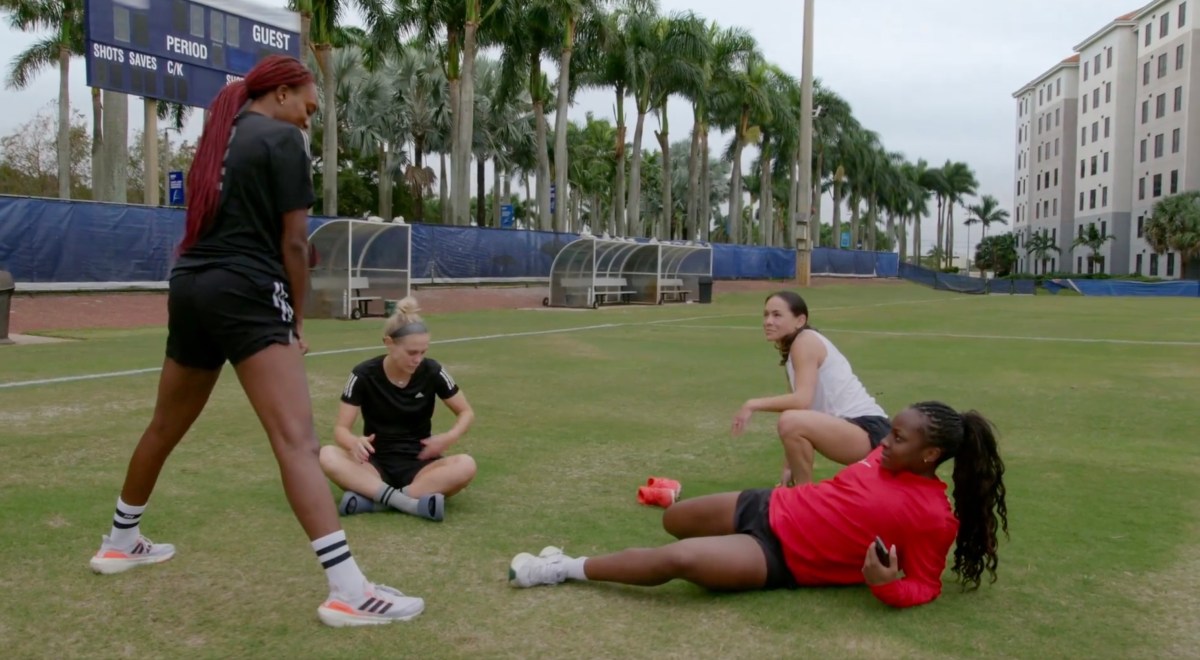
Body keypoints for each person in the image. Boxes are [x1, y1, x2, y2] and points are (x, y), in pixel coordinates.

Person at [86, 55, 424, 628]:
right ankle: (348, 590)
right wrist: (294, 322)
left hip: (191, 284)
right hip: (247, 290)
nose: (307, 122)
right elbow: (295, 244)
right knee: (296, 441)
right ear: (284, 93)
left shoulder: (218, 139)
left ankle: (120, 541)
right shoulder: (282, 139)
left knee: (163, 426)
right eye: (308, 108)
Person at [509, 401, 1008, 609]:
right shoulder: (883, 456)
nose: (885, 441)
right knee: (673, 520)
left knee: (679, 561)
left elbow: (924, 584)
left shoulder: (934, 517)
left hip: (783, 559)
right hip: (768, 506)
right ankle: (719, 550)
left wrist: (884, 585)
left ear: (930, 454)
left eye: (897, 438)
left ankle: (561, 568)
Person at [319, 297, 476, 521]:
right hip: (373, 465)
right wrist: (353, 442)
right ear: (389, 343)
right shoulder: (363, 374)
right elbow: (341, 430)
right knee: (327, 455)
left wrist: (448, 438)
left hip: (420, 465)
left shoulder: (432, 371)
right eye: (412, 352)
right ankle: (411, 503)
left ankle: (375, 503)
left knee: (466, 465)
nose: (418, 359)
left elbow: (466, 412)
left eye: (423, 352)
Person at [731, 291, 891, 486]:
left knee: (790, 420)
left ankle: (803, 497)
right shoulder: (795, 349)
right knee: (791, 419)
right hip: (854, 431)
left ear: (800, 320)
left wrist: (752, 404)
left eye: (777, 315)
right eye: (766, 315)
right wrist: (788, 467)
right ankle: (801, 495)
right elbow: (800, 409)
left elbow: (801, 401)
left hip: (870, 432)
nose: (768, 321)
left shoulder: (805, 342)